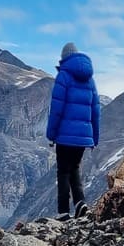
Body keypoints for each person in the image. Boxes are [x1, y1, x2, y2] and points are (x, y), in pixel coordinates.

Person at [46, 42, 101, 220]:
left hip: (64, 136)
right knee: (75, 168)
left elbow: (56, 109)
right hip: (83, 137)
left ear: (64, 58)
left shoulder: (63, 76)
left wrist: (51, 134)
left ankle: (63, 212)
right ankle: (80, 203)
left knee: (63, 171)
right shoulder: (90, 80)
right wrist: (94, 137)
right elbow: (96, 110)